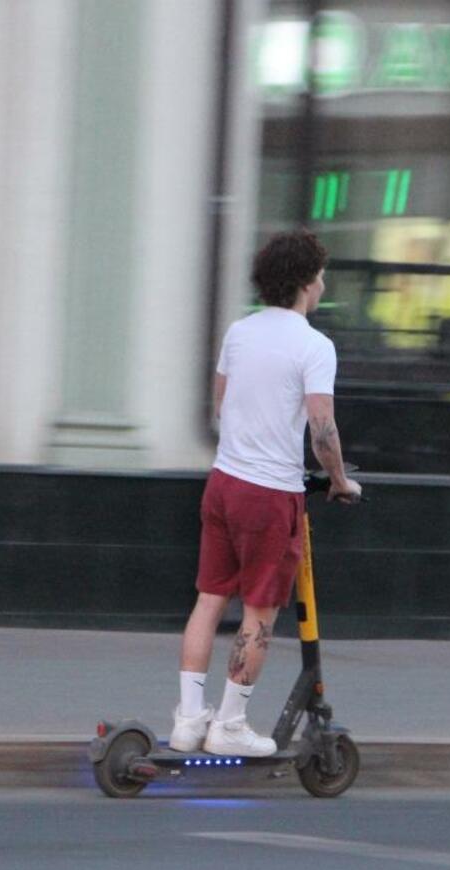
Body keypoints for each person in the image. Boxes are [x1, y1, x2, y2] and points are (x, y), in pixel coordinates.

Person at [171, 229, 362, 758]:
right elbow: (323, 430)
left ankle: (189, 719)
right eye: (320, 276)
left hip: (223, 483)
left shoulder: (240, 332)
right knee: (260, 610)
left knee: (210, 597)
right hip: (269, 494)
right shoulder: (314, 346)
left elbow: (220, 404)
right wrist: (340, 481)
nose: (322, 285)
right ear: (305, 281)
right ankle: (229, 724)